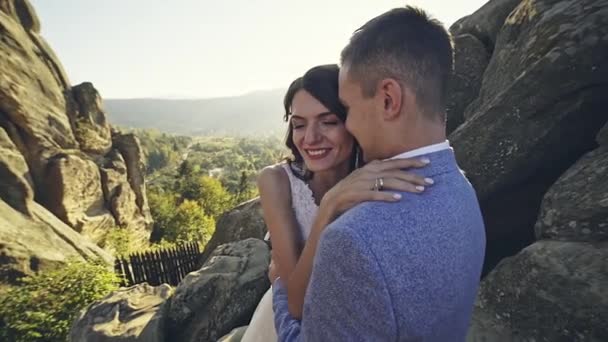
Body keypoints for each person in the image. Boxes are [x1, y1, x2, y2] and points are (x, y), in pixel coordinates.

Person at [271, 6, 486, 341]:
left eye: (349, 110)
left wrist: (281, 293)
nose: (351, 125)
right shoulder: (461, 187)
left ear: (388, 99)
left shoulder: (352, 240)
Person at [240, 64, 431, 342]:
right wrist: (330, 205)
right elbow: (295, 303)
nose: (311, 137)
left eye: (328, 121)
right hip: (287, 327)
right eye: (299, 124)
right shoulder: (276, 181)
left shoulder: (378, 174)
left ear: (353, 122)